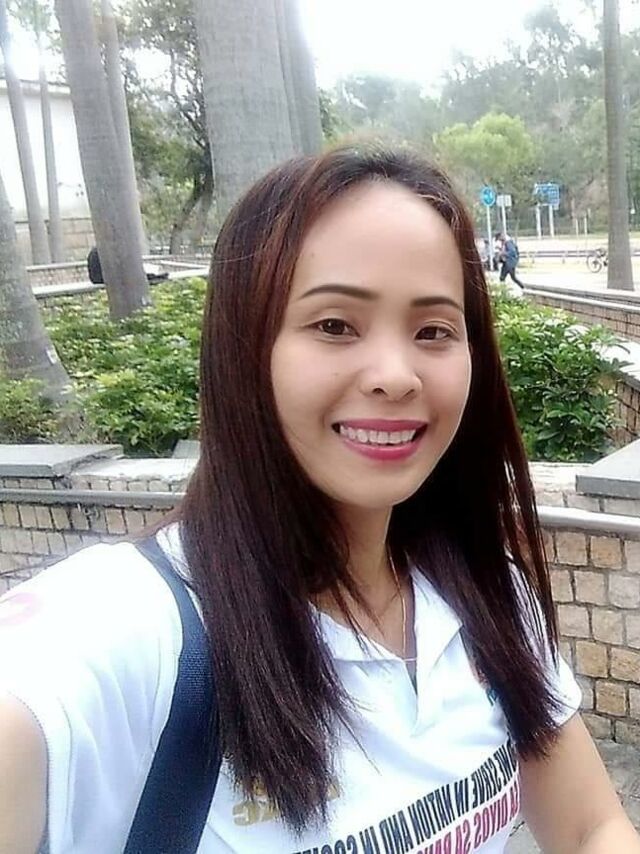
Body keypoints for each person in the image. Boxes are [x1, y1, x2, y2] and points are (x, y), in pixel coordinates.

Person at [1, 146, 639, 854]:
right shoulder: (134, 637)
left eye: (434, 331)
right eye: (334, 325)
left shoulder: (487, 596)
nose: (396, 375)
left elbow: (590, 826)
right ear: (246, 348)